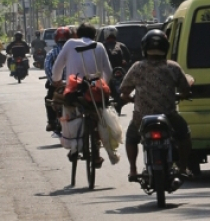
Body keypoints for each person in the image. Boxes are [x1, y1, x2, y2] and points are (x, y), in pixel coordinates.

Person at [119, 29, 194, 182]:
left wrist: (129, 99)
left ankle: (133, 170)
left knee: (131, 138)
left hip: (142, 117)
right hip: (169, 115)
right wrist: (183, 95)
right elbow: (185, 89)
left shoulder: (137, 67)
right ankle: (183, 167)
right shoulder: (173, 67)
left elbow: (124, 91)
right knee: (184, 134)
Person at [50, 23, 115, 166]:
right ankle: (96, 151)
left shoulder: (70, 43)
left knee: (64, 108)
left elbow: (58, 66)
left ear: (77, 34)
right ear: (94, 35)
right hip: (95, 91)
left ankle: (73, 147)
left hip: (74, 90)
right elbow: (108, 72)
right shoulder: (99, 46)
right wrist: (102, 86)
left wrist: (56, 80)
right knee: (98, 116)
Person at [44, 27, 73, 135]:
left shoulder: (52, 52)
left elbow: (47, 67)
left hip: (57, 84)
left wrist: (54, 81)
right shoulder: (73, 51)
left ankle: (51, 122)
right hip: (73, 83)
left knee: (48, 99)